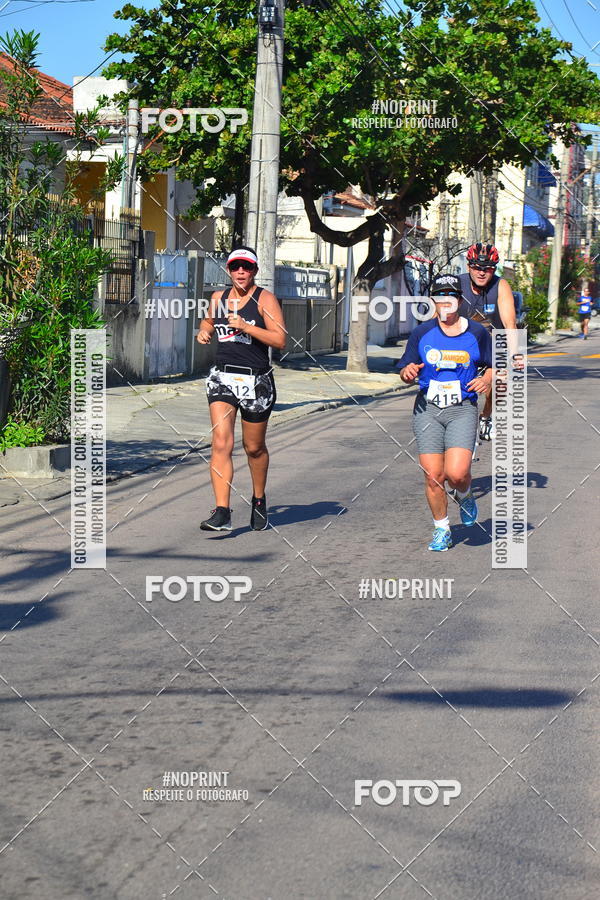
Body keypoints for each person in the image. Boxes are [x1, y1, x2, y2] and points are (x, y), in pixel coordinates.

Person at [396, 274, 493, 551]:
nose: (446, 302)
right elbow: (405, 369)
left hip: (462, 408)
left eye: (451, 297)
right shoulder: (421, 333)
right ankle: (442, 529)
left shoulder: (476, 333)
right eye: (440, 297)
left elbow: (495, 365)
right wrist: (408, 372)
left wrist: (487, 380)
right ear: (434, 302)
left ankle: (464, 493)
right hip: (428, 409)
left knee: (458, 473)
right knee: (433, 475)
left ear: (459, 301)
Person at [196, 247, 286, 532]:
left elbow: (280, 339)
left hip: (256, 381)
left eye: (246, 268)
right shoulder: (218, 298)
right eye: (236, 267)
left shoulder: (264, 299)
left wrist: (247, 327)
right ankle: (222, 510)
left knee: (254, 447)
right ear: (229, 270)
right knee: (222, 442)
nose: (241, 273)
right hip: (222, 377)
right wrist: (205, 330)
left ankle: (259, 499)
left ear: (255, 271)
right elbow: (208, 321)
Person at [458, 243, 517, 441]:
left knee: (501, 382)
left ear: (494, 269)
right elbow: (436, 319)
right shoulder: (457, 284)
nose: (482, 273)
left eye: (488, 269)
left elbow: (510, 324)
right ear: (468, 267)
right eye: (477, 267)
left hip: (494, 343)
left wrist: (515, 355)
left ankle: (486, 416)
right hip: (462, 343)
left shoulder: (501, 286)